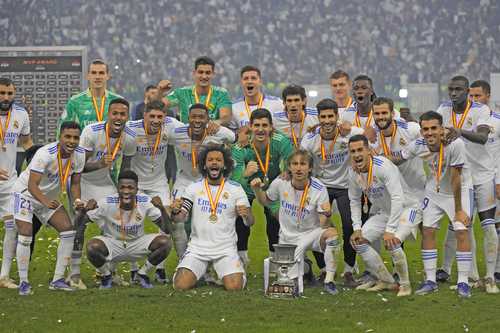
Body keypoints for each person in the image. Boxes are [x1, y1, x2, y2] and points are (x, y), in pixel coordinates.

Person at [435, 76, 498, 294]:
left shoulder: (480, 110)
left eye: (459, 90)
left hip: (482, 174)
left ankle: (490, 277)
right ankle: (472, 276)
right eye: (450, 89)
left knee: (488, 224)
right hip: (462, 175)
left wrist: (459, 131)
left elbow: (481, 137)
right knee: (465, 225)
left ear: (467, 90)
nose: (453, 93)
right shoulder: (443, 109)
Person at [403, 111, 474, 298]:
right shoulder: (418, 145)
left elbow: (456, 178)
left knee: (461, 230)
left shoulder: (455, 144)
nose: (429, 133)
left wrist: (458, 210)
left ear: (442, 128)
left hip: (458, 191)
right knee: (427, 231)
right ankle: (430, 281)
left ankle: (463, 282)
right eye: (425, 129)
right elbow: (398, 158)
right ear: (421, 130)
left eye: (434, 128)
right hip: (433, 191)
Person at [251, 149, 341, 295]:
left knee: (332, 234)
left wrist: (327, 215)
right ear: (289, 167)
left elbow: (323, 224)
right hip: (288, 237)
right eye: (295, 164)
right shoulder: (281, 182)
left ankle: (329, 280)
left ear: (310, 168)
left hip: (311, 233)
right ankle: (306, 268)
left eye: (303, 164)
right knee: (288, 280)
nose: (299, 168)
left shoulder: (319, 188)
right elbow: (266, 201)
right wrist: (256, 190)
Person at [13, 121, 86, 295]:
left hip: (48, 198)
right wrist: (45, 202)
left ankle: (58, 280)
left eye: (76, 138)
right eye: (67, 137)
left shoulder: (80, 154)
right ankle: (24, 282)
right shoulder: (45, 154)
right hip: (25, 193)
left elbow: (75, 182)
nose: (71, 141)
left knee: (68, 231)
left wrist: (77, 200)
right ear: (59, 137)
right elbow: (32, 185)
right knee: (25, 233)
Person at [300, 98, 363, 287]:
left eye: (330, 116)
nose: (327, 120)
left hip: (345, 187)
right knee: (317, 227)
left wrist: (350, 127)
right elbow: (300, 159)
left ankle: (349, 271)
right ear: (318, 119)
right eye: (323, 117)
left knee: (349, 226)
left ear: (337, 117)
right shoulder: (310, 139)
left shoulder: (349, 134)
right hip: (322, 187)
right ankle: (323, 269)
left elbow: (369, 133)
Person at [172, 144, 253, 291]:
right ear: (204, 165)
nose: (214, 162)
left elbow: (249, 222)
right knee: (180, 285)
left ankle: (228, 268)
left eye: (218, 160)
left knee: (235, 287)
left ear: (225, 165)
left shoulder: (235, 189)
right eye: (210, 160)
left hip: (225, 248)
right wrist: (175, 211)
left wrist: (246, 215)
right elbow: (181, 218)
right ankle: (201, 271)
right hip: (198, 248)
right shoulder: (193, 188)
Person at [74, 170, 173, 289]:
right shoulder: (106, 202)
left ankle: (142, 273)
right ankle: (106, 276)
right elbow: (78, 225)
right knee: (92, 247)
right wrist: (84, 210)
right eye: (123, 187)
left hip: (137, 243)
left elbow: (167, 229)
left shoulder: (145, 201)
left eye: (130, 188)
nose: (126, 191)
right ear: (118, 189)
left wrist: (162, 208)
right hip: (113, 243)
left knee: (165, 242)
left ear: (137, 189)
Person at [348, 134, 412, 297]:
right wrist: (356, 228)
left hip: (407, 208)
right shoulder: (353, 172)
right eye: (353, 151)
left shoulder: (383, 165)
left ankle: (405, 285)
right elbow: (354, 200)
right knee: (358, 241)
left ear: (369, 150)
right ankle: (386, 281)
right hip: (385, 212)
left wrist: (390, 230)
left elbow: (398, 198)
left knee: (393, 242)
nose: (357, 155)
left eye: (360, 150)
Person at [128, 100, 184, 283]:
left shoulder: (171, 126)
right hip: (137, 183)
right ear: (144, 115)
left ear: (165, 117)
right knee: (133, 224)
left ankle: (157, 269)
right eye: (151, 116)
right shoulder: (131, 128)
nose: (156, 120)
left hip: (159, 182)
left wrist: (213, 128)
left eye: (160, 116)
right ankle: (134, 269)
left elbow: (191, 130)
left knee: (167, 224)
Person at [170, 103, 235, 256]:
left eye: (201, 117)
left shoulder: (219, 132)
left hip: (208, 183)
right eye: (194, 117)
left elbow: (237, 139)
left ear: (208, 119)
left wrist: (225, 147)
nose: (197, 120)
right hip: (184, 181)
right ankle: (183, 262)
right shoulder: (176, 133)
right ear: (187, 118)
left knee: (211, 223)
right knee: (177, 222)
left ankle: (211, 263)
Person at [232, 108, 293, 266]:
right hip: (247, 186)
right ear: (250, 127)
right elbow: (235, 179)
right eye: (256, 125)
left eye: (265, 125)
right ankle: (241, 257)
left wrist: (287, 170)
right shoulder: (240, 147)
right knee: (242, 217)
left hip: (271, 185)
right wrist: (245, 173)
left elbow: (292, 159)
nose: (260, 129)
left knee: (274, 219)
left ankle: (275, 258)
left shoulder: (280, 141)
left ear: (271, 127)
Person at [0, 78, 33, 289]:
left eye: (10, 93)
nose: (5, 98)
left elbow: (26, 142)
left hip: (9, 182)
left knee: (12, 226)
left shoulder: (20, 114)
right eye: (2, 93)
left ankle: (3, 276)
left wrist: (35, 163)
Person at [470, 80, 500, 282]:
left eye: (477, 96)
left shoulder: (497, 120)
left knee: (494, 226)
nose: (473, 100)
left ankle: (495, 270)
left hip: (491, 179)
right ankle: (471, 273)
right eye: (471, 96)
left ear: (488, 96)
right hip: (467, 181)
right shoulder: (467, 119)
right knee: (465, 226)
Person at [160, 56, 232, 125]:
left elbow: (226, 117)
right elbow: (158, 106)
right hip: (186, 136)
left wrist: (218, 122)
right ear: (194, 73)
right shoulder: (182, 93)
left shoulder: (221, 93)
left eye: (208, 73)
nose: (204, 76)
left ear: (213, 74)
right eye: (200, 72)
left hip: (211, 135)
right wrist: (159, 92)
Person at [59, 59, 124, 130]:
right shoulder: (75, 102)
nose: (97, 77)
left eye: (101, 73)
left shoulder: (119, 101)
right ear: (87, 76)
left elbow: (128, 130)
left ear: (108, 76)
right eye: (93, 73)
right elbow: (62, 130)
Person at [231, 65, 283, 130]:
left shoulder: (277, 103)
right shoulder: (233, 107)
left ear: (260, 82)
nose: (249, 81)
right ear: (241, 82)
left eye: (253, 78)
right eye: (246, 79)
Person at [272, 85, 318, 149]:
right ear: (284, 103)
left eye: (296, 100)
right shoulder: (275, 119)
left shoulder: (317, 116)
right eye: (289, 101)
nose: (293, 105)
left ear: (304, 101)